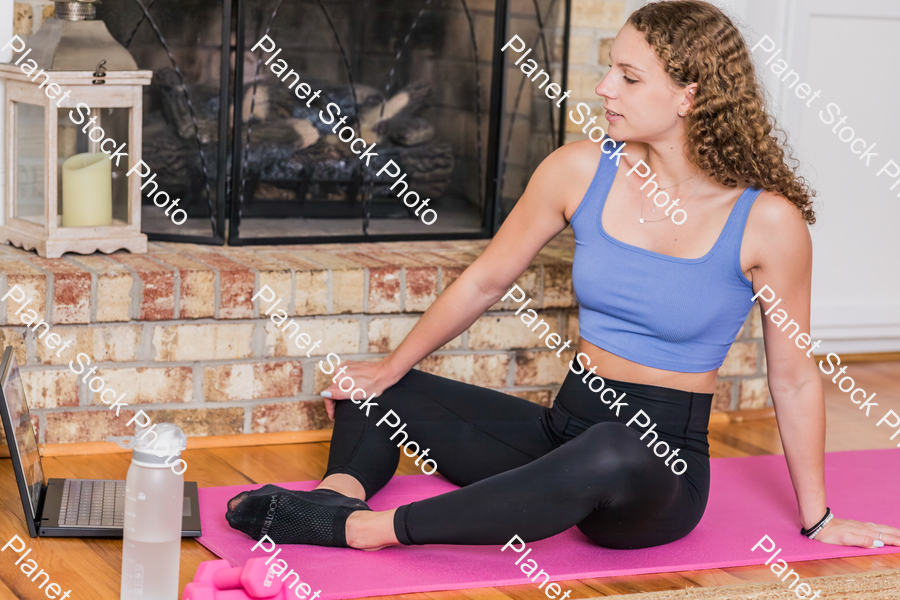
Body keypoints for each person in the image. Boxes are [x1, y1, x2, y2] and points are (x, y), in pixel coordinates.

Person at [226, 0, 899, 552]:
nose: (605, 89)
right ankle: (332, 502)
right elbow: (486, 280)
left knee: (614, 448)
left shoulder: (768, 222)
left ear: (690, 96)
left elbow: (794, 375)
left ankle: (370, 532)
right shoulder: (579, 170)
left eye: (630, 79)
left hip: (654, 470)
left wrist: (818, 519)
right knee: (379, 388)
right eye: (610, 70)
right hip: (563, 433)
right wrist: (388, 369)